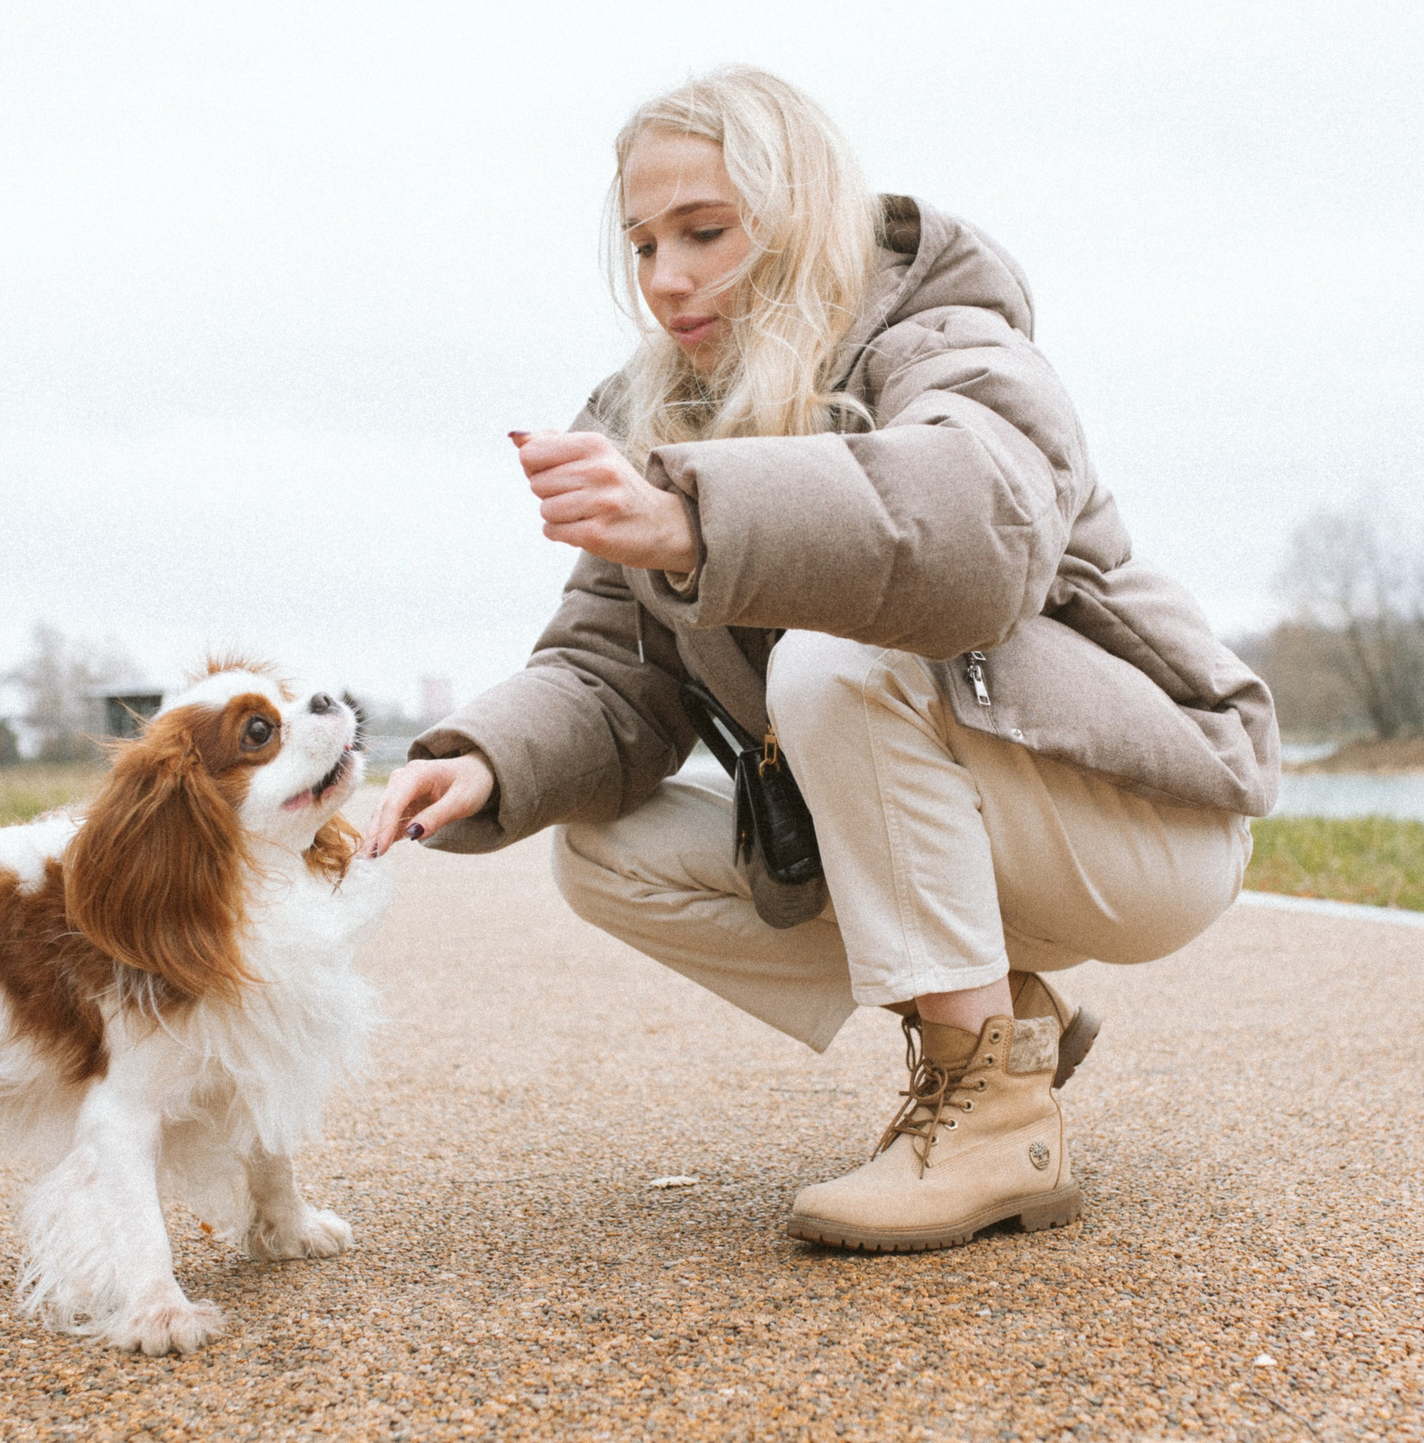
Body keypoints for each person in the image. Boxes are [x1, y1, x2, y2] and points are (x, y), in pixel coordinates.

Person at [366, 67, 1279, 1253]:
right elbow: (609, 669)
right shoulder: (651, 414)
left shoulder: (945, 335)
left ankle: (993, 1114)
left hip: (1142, 819)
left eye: (704, 231)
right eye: (641, 243)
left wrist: (698, 518)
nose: (665, 276)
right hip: (979, 832)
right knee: (604, 850)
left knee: (833, 656)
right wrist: (489, 760)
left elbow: (974, 540)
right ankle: (1008, 1022)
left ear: (800, 217)